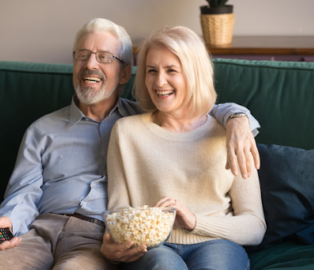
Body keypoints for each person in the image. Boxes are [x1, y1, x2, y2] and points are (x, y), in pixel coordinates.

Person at [0, 19, 261, 270]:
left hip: (95, 235)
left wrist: (238, 118)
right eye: (82, 55)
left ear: (124, 73)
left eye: (103, 57)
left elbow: (194, 110)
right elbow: (23, 193)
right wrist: (6, 222)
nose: (90, 65)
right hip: (40, 229)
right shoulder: (43, 129)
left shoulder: (147, 116)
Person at [105, 26, 266, 270]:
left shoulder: (232, 133)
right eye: (151, 70)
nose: (159, 82)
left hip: (218, 243)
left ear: (194, 74)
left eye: (171, 70)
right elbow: (118, 214)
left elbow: (255, 226)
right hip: (153, 248)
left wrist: (194, 221)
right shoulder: (126, 132)